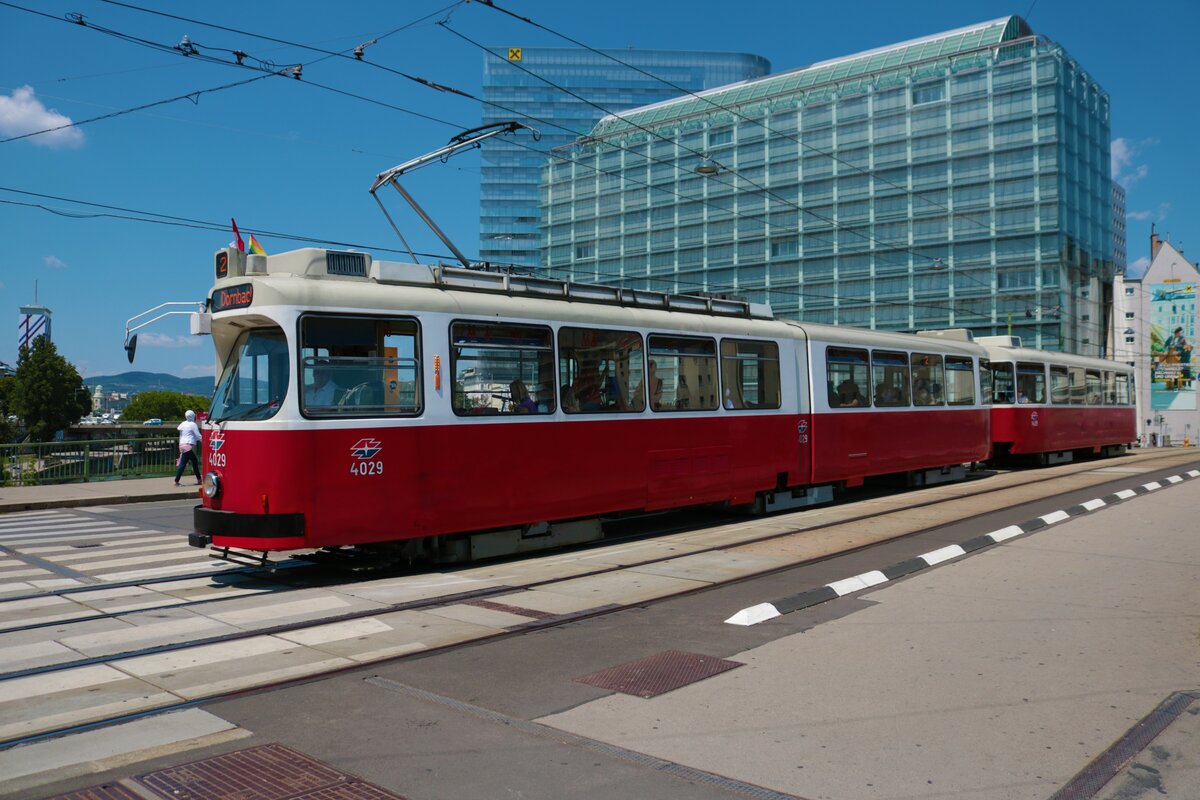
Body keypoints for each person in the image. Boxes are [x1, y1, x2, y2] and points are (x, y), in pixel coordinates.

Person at [174, 409, 202, 486]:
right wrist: (205, 441)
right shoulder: (193, 424)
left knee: (194, 461)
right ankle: (176, 481)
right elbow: (198, 435)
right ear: (193, 416)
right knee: (183, 464)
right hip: (188, 446)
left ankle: (199, 479)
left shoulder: (183, 424)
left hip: (182, 445)